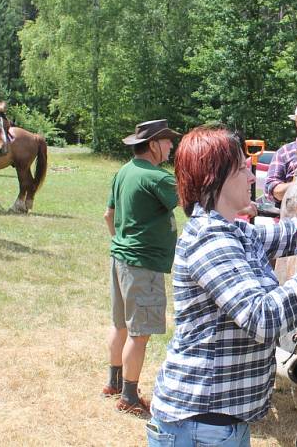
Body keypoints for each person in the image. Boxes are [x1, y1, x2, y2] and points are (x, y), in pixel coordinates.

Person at [147, 125, 297, 446]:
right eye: (242, 169)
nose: (251, 176)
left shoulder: (237, 234)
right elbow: (262, 318)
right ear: (213, 178)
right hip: (199, 425)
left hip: (217, 423)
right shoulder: (210, 240)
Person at [102, 119, 181, 418]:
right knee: (140, 333)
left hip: (120, 259)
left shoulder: (123, 171)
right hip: (142, 265)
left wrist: (122, 243)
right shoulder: (158, 178)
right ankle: (130, 397)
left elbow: (108, 215)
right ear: (153, 145)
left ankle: (113, 383)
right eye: (168, 141)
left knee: (120, 325)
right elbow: (194, 202)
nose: (171, 147)